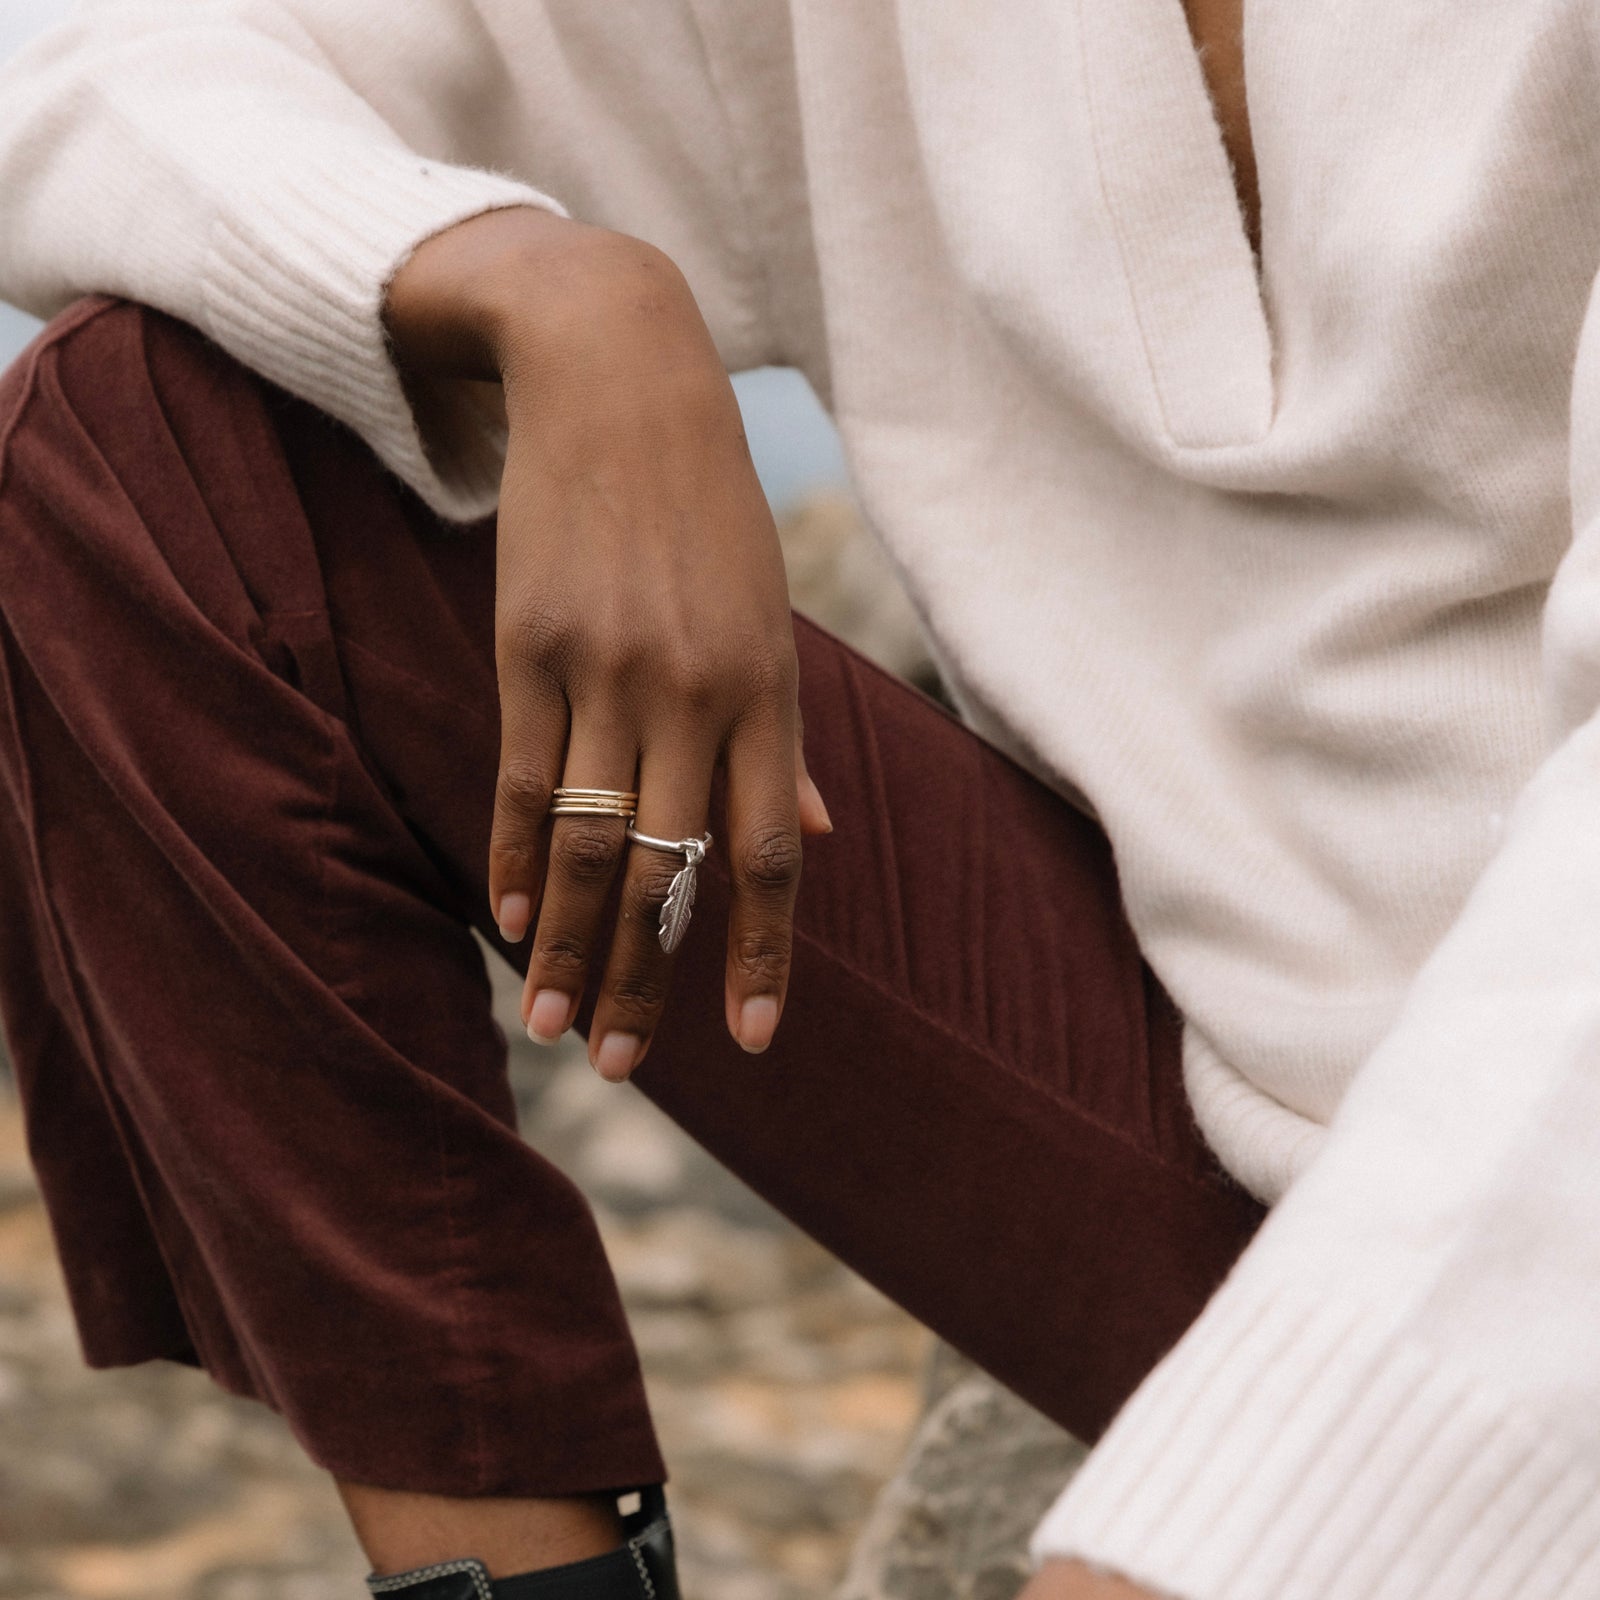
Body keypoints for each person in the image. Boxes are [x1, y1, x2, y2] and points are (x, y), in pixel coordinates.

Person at [3, 1, 1600, 1597]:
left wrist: (1224, 1536)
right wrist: (560, 287)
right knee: (133, 442)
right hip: (1204, 1127)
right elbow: (87, 62)